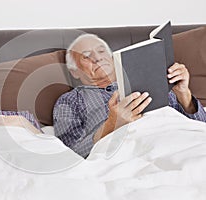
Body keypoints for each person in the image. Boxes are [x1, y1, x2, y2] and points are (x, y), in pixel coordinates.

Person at [53, 34, 206, 158]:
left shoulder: (152, 79)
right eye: (86, 56)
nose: (97, 58)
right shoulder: (69, 101)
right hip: (129, 153)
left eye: (101, 51)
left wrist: (184, 94)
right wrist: (111, 125)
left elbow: (200, 125)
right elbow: (70, 154)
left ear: (113, 58)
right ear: (74, 71)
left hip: (179, 141)